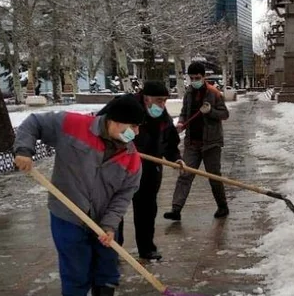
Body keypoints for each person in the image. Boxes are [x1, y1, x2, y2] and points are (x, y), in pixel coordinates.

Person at [13, 96, 145, 296]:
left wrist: (110, 226)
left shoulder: (131, 158)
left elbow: (123, 197)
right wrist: (23, 150)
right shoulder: (73, 125)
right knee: (75, 264)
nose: (136, 132)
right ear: (114, 121)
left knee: (107, 263)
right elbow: (34, 123)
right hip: (68, 213)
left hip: (104, 219)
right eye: (133, 126)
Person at [98, 82, 181, 261]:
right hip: (119, 166)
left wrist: (175, 158)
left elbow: (170, 141)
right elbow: (100, 126)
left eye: (164, 101)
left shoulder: (162, 116)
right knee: (115, 208)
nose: (162, 105)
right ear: (146, 97)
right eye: (159, 100)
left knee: (147, 209)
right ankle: (113, 249)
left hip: (149, 167)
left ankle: (147, 248)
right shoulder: (124, 105)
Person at [164, 61, 230, 222]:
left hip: (211, 143)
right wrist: (181, 123)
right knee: (185, 175)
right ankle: (176, 209)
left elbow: (225, 114)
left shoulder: (214, 93)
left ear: (204, 76)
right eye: (192, 78)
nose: (194, 81)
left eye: (197, 78)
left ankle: (222, 206)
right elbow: (184, 112)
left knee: (214, 176)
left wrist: (210, 111)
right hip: (192, 142)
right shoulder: (189, 93)